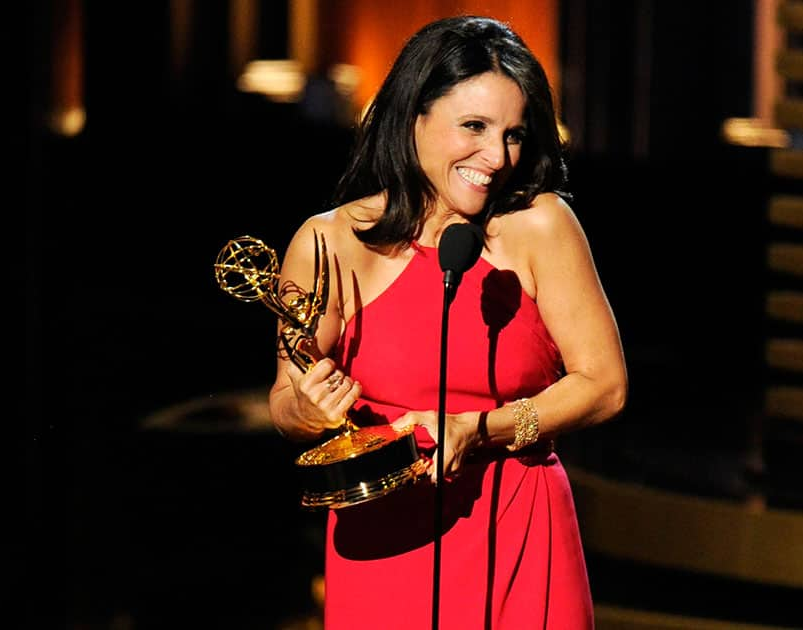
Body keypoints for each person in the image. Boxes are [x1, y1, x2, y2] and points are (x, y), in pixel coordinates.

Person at [268, 14, 627, 629]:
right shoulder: (328, 242)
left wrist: (479, 428)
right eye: (474, 127)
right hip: (381, 541)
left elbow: (605, 386)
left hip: (516, 526)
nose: (496, 156)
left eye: (514, 134)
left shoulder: (540, 226)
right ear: (415, 118)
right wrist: (310, 409)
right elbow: (284, 403)